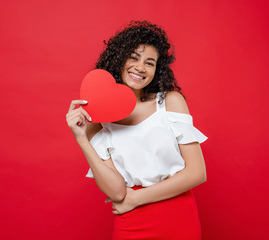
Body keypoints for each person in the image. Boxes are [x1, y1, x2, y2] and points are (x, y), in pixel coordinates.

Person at [66, 20, 208, 240]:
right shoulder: (98, 120)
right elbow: (116, 192)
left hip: (178, 218)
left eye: (149, 63)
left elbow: (196, 173)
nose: (140, 67)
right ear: (119, 59)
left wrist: (135, 199)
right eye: (134, 57)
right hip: (131, 222)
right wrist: (82, 138)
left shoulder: (169, 102)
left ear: (156, 70)